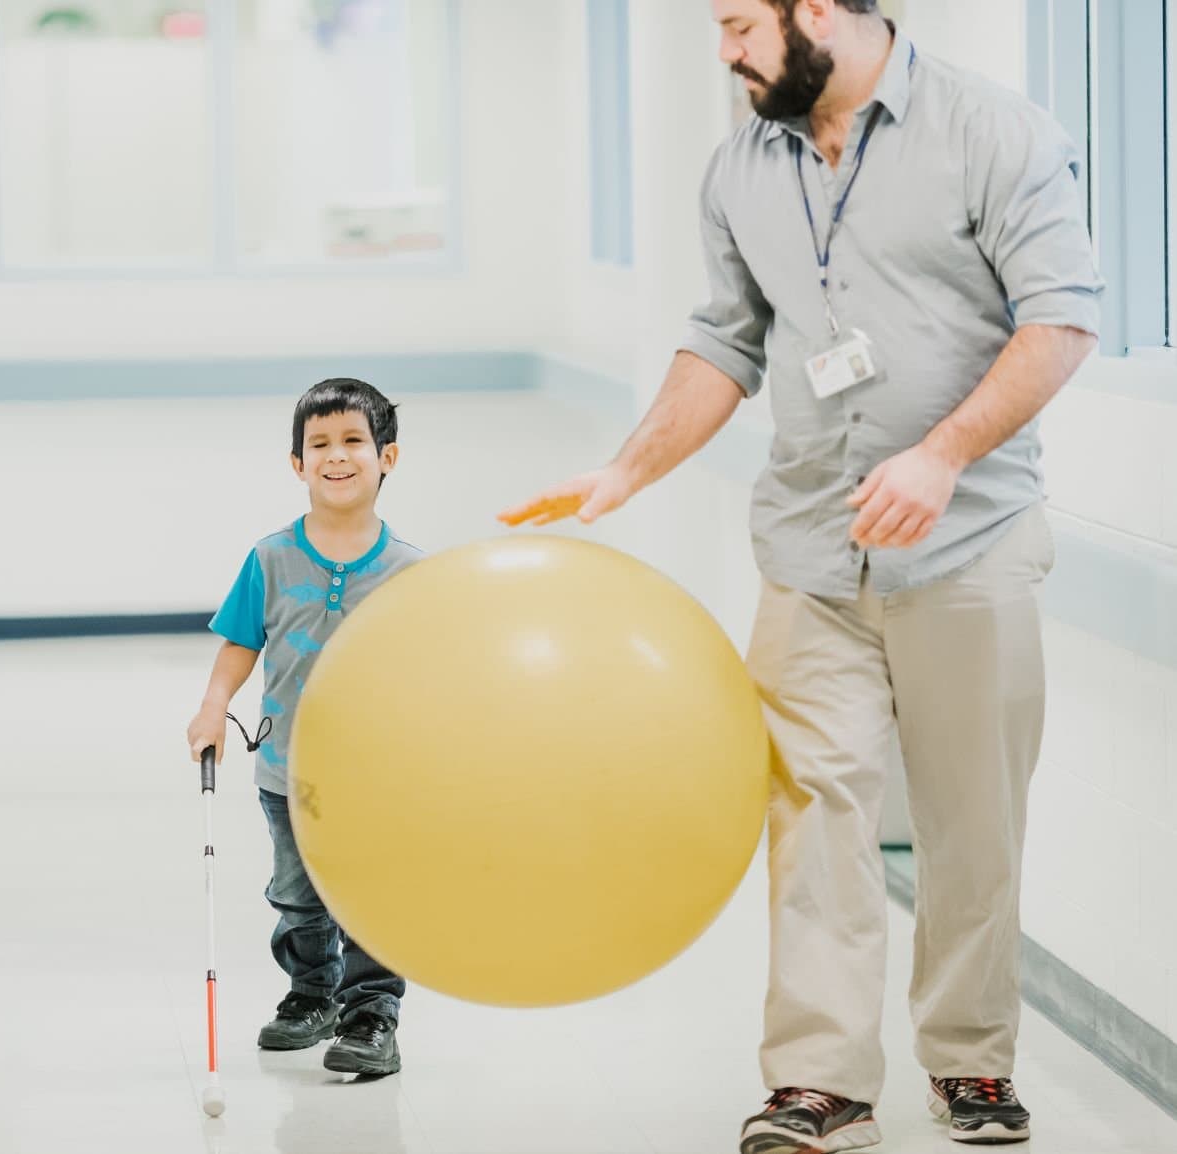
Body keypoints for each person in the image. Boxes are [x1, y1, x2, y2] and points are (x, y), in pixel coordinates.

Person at [502, 2, 1102, 1150]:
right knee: (813, 814)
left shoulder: (991, 131)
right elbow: (724, 338)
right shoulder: (742, 164)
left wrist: (941, 454)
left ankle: (970, 1062)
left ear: (816, 10)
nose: (722, 52)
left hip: (966, 543)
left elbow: (1062, 318)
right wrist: (626, 470)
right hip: (809, 551)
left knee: (970, 826)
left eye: (737, 23)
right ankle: (820, 1081)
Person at [186, 377, 424, 1078]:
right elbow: (239, 642)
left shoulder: (410, 571)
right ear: (297, 464)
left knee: (368, 895)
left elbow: (433, 668)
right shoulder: (270, 558)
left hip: (375, 776)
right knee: (296, 895)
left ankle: (371, 1014)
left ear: (388, 456)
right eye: (319, 444)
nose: (337, 456)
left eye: (354, 440)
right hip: (286, 770)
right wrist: (211, 707)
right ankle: (312, 994)